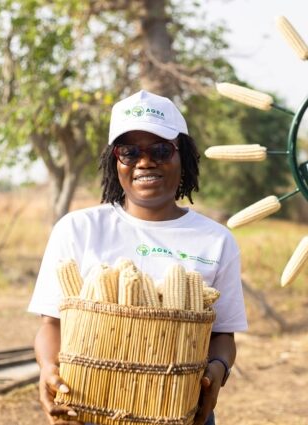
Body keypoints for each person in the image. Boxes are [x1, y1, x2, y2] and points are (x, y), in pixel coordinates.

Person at [28, 90, 248, 425]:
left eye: (160, 150)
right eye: (129, 152)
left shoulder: (216, 240)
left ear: (183, 157)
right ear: (114, 161)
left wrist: (218, 369)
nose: (145, 162)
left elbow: (223, 336)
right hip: (92, 411)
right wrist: (48, 368)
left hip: (177, 412)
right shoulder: (78, 229)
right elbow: (51, 324)